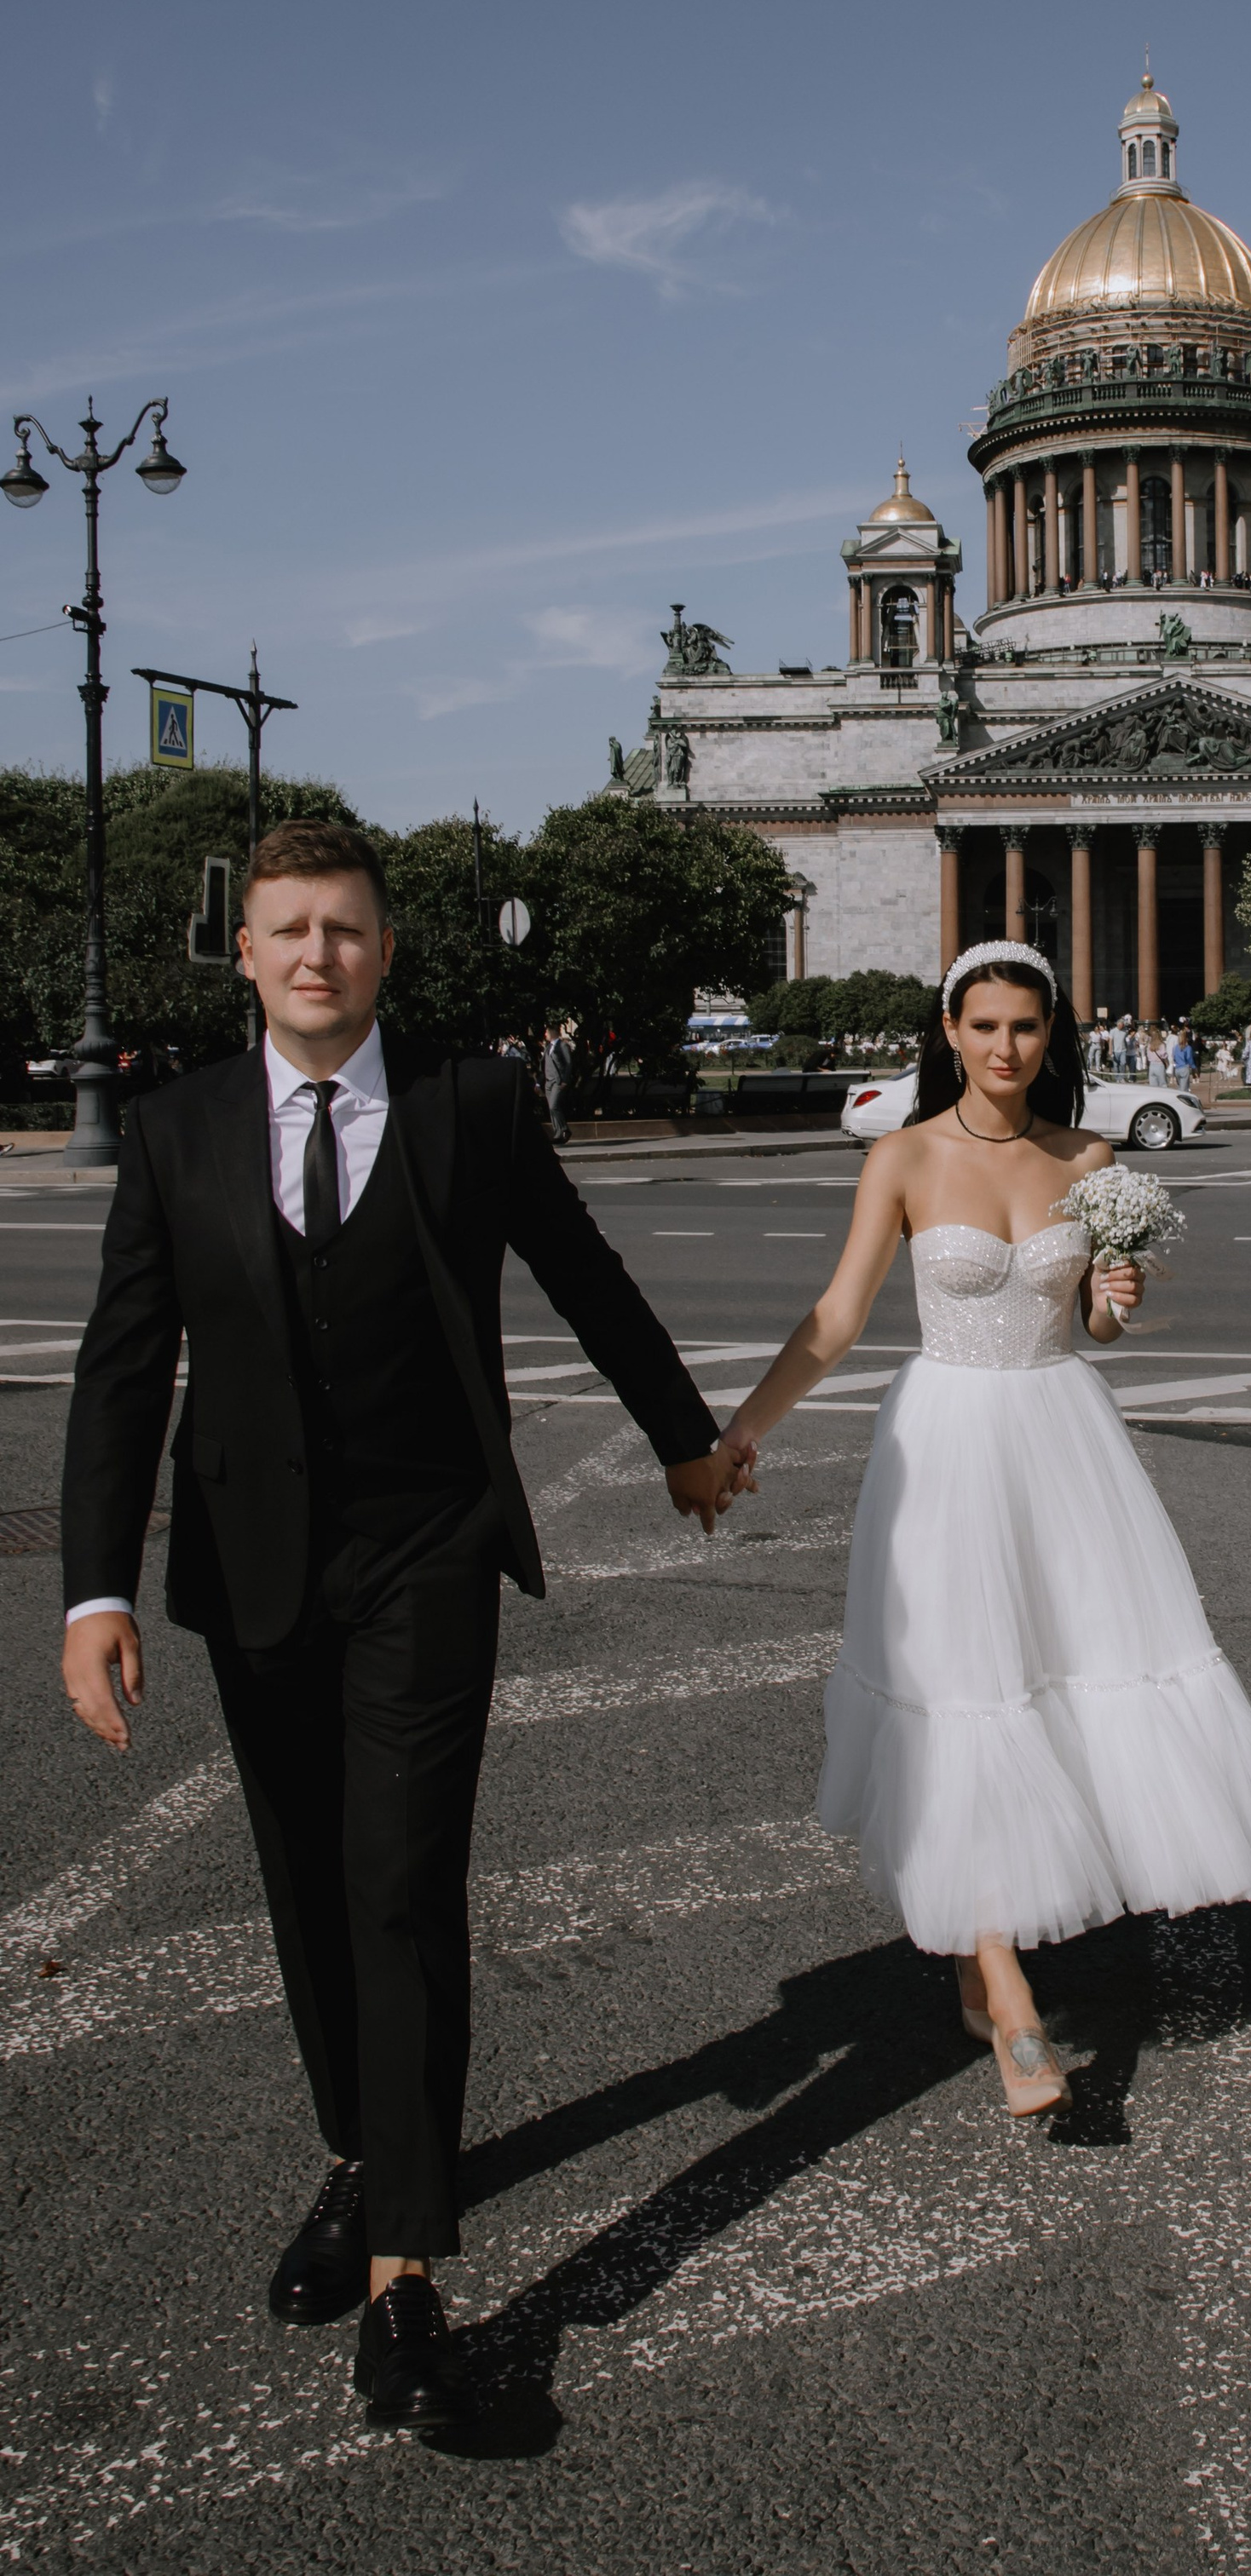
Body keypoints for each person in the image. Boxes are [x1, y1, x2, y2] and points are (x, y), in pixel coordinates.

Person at [58, 821, 743, 2435]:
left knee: (399, 1887)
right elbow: (115, 1368)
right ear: (245, 953)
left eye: (346, 931)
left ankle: (407, 2283)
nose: (317, 956)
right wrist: (95, 1591)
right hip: (253, 1568)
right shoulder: (173, 1130)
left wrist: (682, 1438)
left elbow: (587, 1278)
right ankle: (364, 2161)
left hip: (427, 1554)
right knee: (304, 1890)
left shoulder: (472, 1105)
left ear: (386, 951)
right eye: (289, 931)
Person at [720, 940, 1251, 2117]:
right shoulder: (900, 1158)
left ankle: (976, 1953)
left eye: (1027, 1029)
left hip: (1062, 1437)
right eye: (985, 1026)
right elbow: (840, 1317)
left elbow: (1097, 1328)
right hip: (946, 1446)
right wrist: (743, 1430)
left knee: (1062, 1683)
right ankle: (1005, 1995)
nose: (1006, 1048)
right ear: (949, 1031)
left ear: (1054, 1038)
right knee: (963, 1699)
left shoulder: (1092, 1160)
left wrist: (1116, 1302)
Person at [541, 1019, 577, 1146]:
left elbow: (568, 1064)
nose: (545, 1034)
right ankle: (557, 1133)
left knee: (554, 1106)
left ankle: (564, 1129)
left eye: (547, 1032)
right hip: (548, 1082)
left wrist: (565, 1081)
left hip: (558, 1081)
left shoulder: (562, 1046)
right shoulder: (548, 1047)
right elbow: (544, 1065)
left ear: (552, 1032)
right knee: (551, 1109)